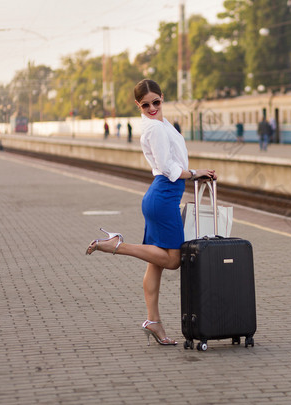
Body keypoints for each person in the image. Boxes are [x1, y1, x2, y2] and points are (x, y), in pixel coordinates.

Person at [85, 79, 217, 346]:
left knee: (155, 264)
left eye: (156, 102)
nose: (152, 107)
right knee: (172, 260)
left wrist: (191, 173)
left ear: (162, 97)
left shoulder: (160, 124)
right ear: (138, 105)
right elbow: (169, 169)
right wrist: (195, 174)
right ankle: (117, 245)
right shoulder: (154, 129)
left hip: (160, 196)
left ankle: (153, 321)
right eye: (145, 105)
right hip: (164, 196)